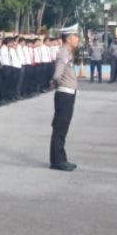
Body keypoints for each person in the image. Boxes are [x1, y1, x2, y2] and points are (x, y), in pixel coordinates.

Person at [49, 23, 80, 172]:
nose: (77, 39)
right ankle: (57, 161)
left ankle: (61, 158)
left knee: (63, 127)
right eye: (75, 36)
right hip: (64, 93)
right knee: (60, 128)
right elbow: (57, 74)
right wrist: (55, 82)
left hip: (68, 93)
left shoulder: (68, 52)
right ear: (68, 39)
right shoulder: (63, 53)